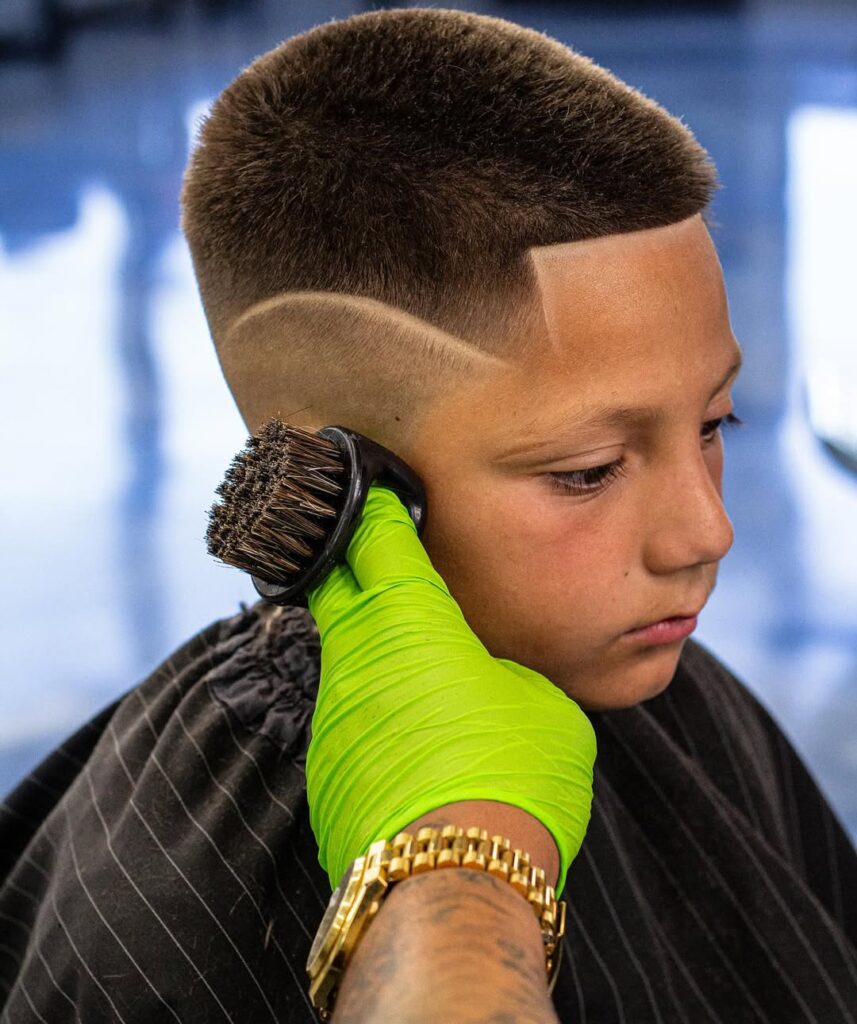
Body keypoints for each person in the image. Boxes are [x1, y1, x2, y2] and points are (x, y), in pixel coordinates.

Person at [2, 8, 856, 1022]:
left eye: (715, 421)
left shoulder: (653, 689)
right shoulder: (174, 892)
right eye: (587, 470)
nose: (705, 533)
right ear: (343, 477)